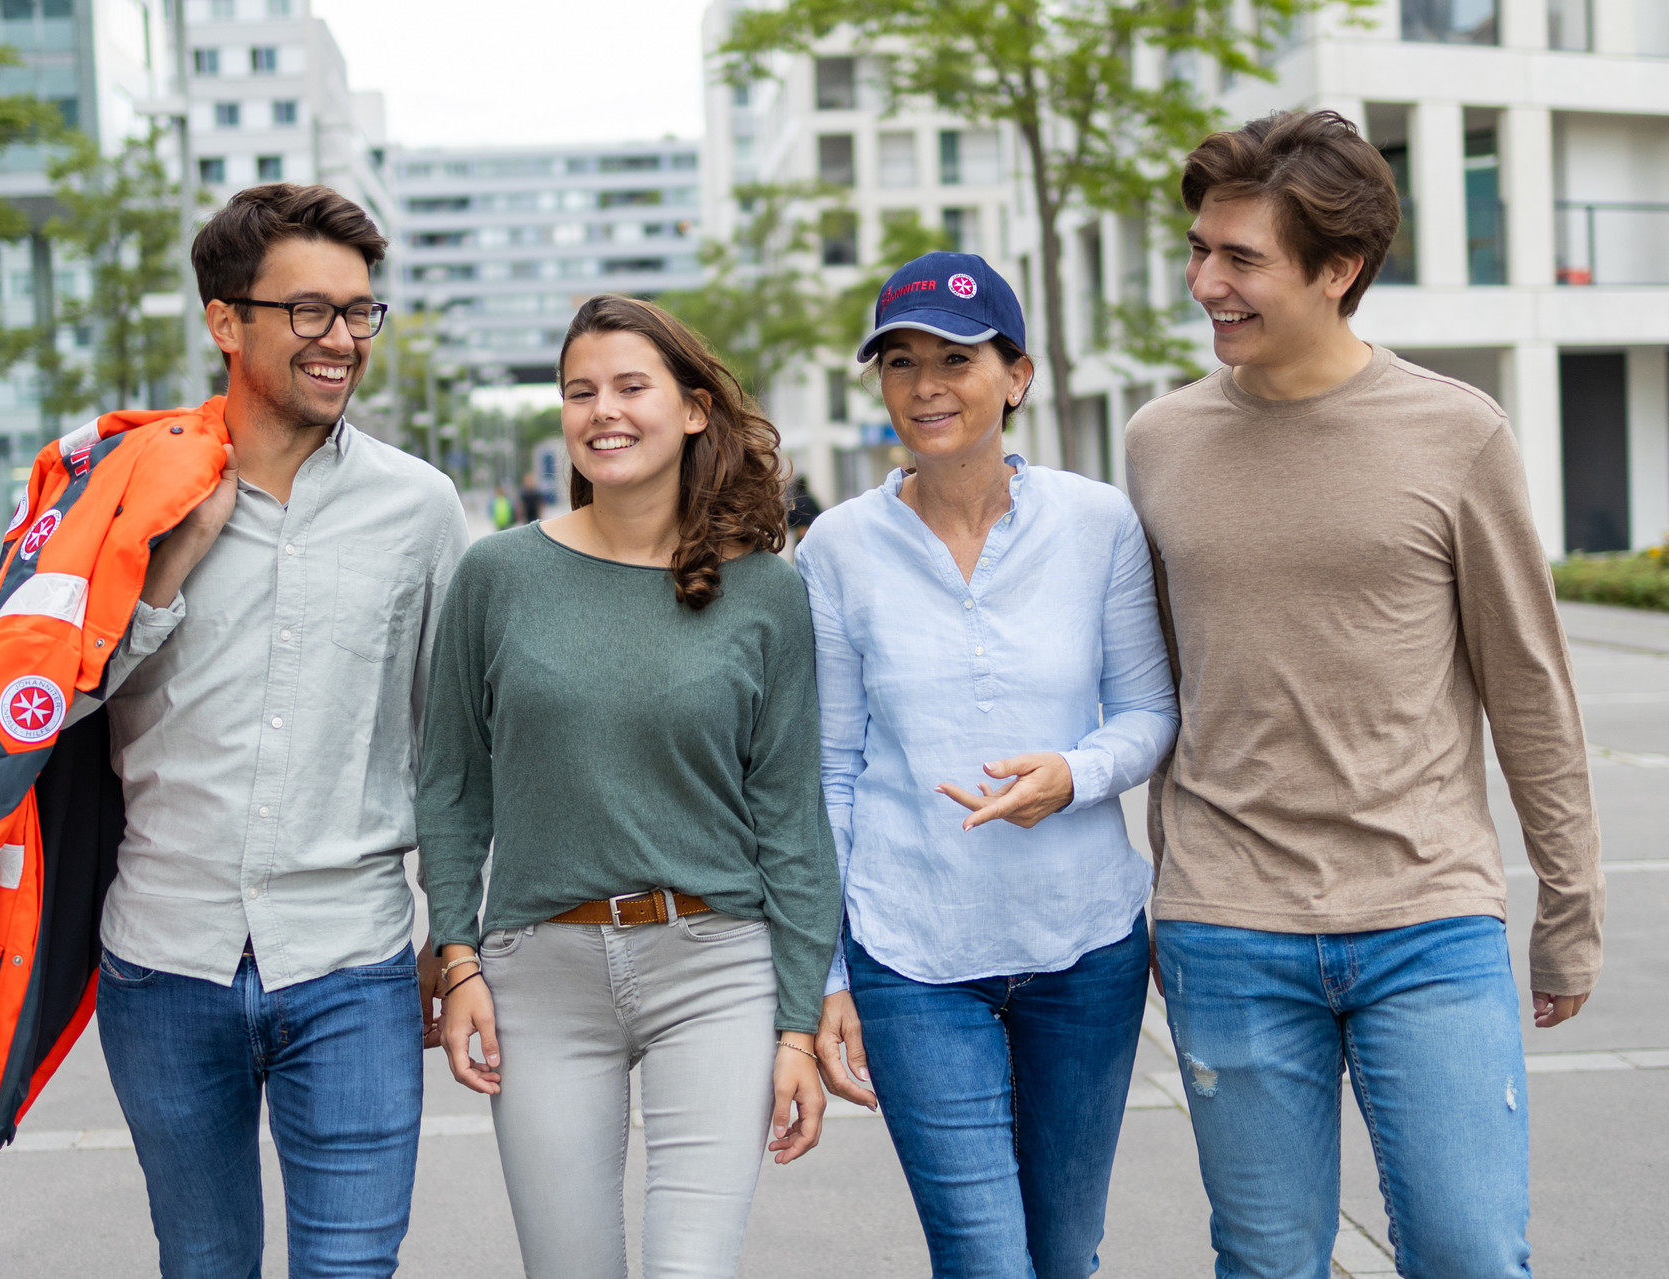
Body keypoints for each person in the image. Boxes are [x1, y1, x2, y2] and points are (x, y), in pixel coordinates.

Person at [1125, 110, 1602, 1278]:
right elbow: (1149, 681)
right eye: (1200, 249)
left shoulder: (1455, 433)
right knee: (1269, 1258)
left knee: (1470, 1250)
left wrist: (1570, 911)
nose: (1206, 283)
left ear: (1339, 271)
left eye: (1242, 259)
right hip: (1227, 922)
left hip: (1426, 916)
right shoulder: (1158, 442)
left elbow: (1527, 682)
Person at [418, 294, 840, 1279]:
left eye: (628, 387)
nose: (601, 409)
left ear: (694, 409)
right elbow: (449, 783)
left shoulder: (767, 590)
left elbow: (791, 818)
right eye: (579, 391)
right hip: (539, 970)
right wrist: (460, 955)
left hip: (716, 968)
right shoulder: (498, 576)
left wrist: (794, 1022)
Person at [87, 185, 467, 1275]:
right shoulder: (128, 493)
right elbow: (45, 705)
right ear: (225, 321)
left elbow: (447, 742)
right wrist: (162, 573)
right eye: (308, 310)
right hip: (164, 959)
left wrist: (455, 932)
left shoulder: (422, 507)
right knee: (203, 1260)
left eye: (357, 312)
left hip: (351, 959)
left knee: (352, 1267)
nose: (341, 338)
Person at [795, 251, 1179, 1279]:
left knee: (1062, 1254)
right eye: (901, 360)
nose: (927, 386)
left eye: (957, 358)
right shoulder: (835, 548)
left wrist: (1074, 771)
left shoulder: (1097, 522)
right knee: (984, 1259)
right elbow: (828, 771)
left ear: (1017, 375)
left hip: (1084, 947)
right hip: (912, 954)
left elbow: (1149, 712)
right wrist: (828, 971)